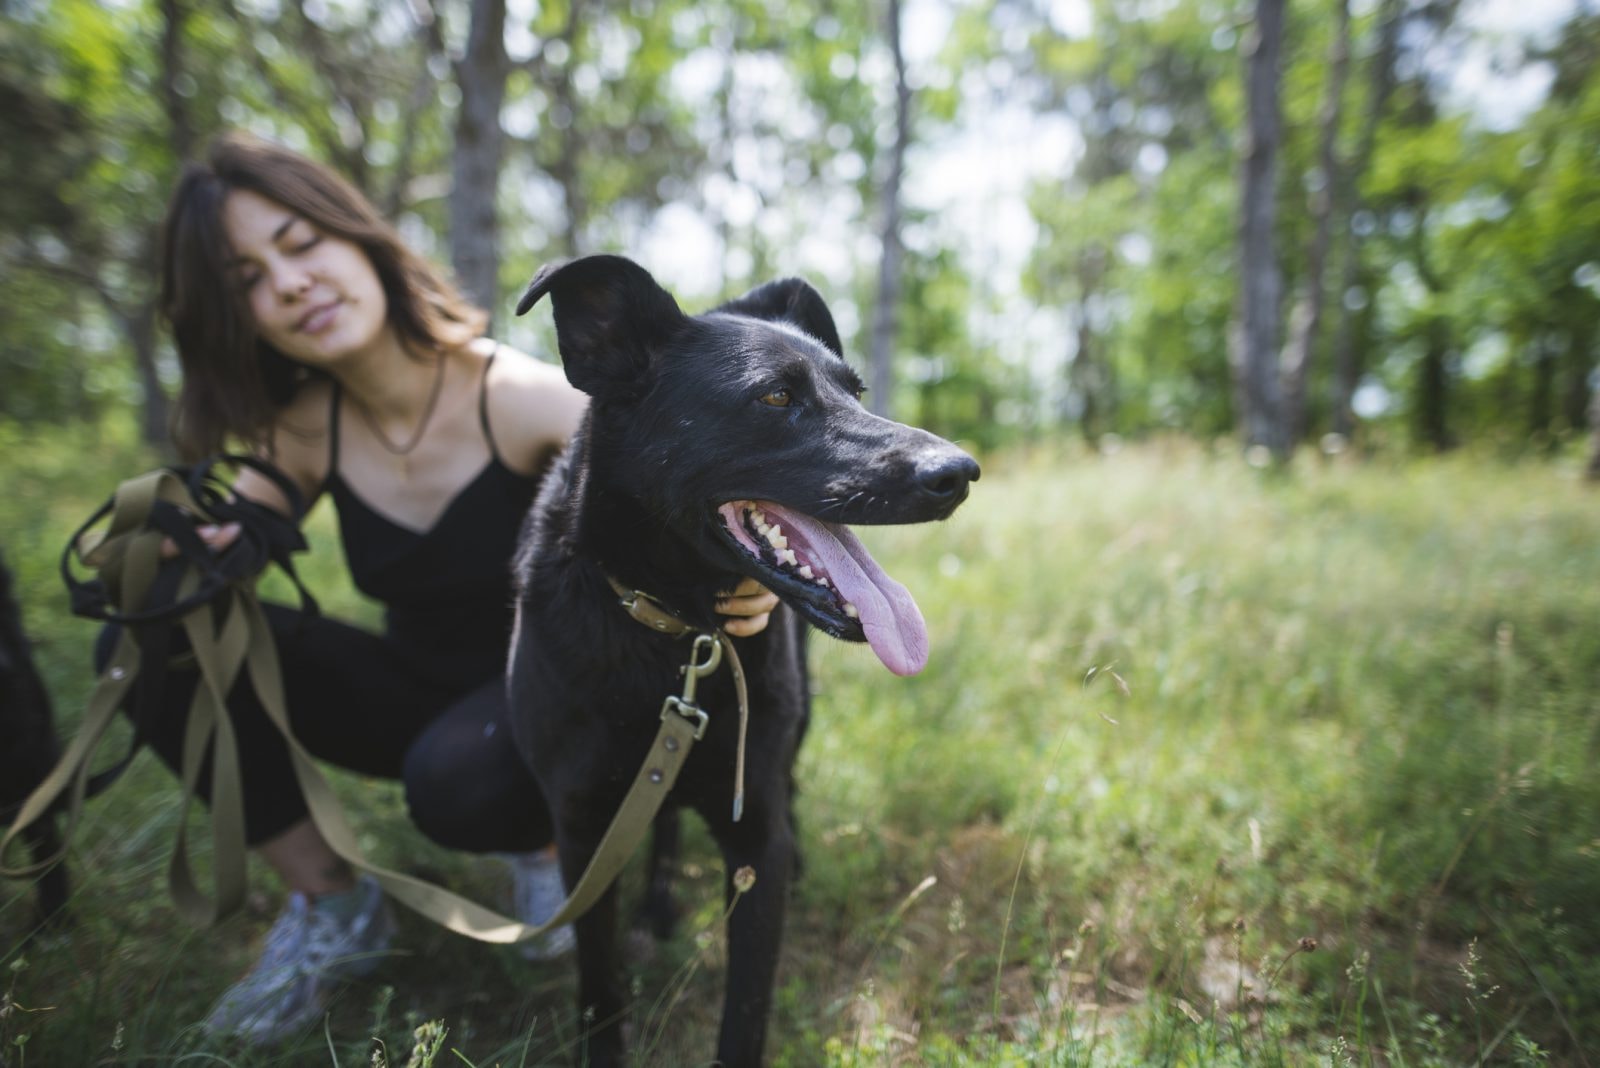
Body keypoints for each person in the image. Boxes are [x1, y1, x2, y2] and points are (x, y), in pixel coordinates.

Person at [123, 131, 779, 1043]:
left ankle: (555, 841)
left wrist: (754, 578)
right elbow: (236, 528)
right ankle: (333, 909)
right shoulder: (304, 428)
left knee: (455, 782)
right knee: (156, 627)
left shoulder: (509, 395)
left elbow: (692, 478)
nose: (291, 284)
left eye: (301, 243)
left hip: (564, 704)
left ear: (357, 239)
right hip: (422, 694)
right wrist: (180, 552)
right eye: (249, 281)